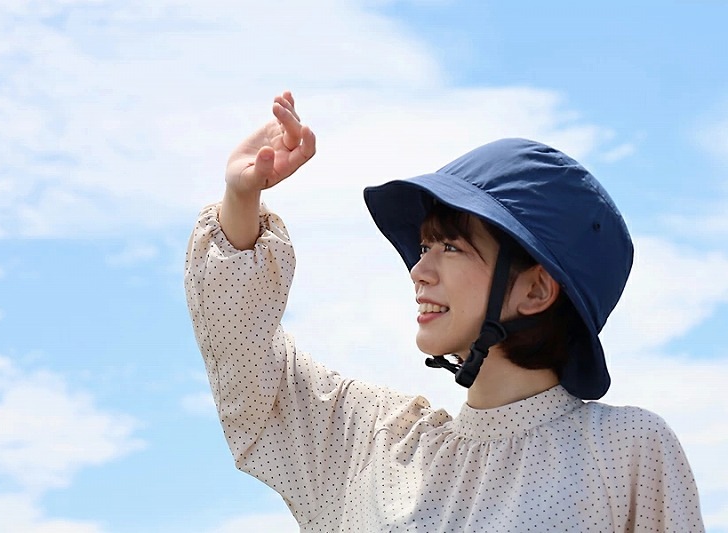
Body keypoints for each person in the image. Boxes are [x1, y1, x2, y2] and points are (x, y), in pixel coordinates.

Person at [185, 92, 704, 532]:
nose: (419, 270)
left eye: (451, 248)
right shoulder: (378, 442)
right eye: (424, 246)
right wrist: (241, 197)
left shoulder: (624, 450)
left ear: (536, 290)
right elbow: (253, 375)